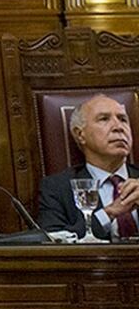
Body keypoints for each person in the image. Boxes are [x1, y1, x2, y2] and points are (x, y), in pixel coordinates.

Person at [37, 94, 139, 239]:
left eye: (123, 119)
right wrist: (108, 214)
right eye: (104, 119)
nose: (118, 127)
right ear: (80, 135)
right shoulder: (57, 188)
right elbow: (52, 241)